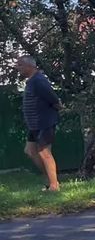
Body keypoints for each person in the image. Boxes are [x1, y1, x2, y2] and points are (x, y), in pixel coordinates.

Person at [16, 55, 62, 191]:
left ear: (30, 66)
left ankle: (54, 186)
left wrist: (58, 108)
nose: (18, 68)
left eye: (20, 65)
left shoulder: (39, 81)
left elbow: (54, 99)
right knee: (30, 151)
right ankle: (50, 179)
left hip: (44, 122)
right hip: (34, 124)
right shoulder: (31, 81)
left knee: (44, 152)